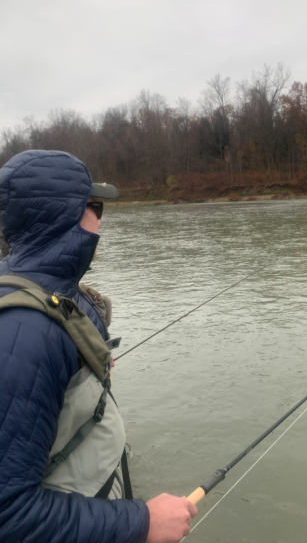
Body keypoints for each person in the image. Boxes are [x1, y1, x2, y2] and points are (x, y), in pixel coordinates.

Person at [0, 149, 197, 543]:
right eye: (97, 209)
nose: (100, 223)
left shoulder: (51, 292)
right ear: (67, 217)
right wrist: (142, 522)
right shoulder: (23, 335)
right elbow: (9, 516)